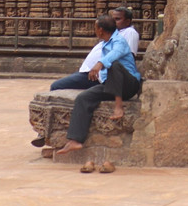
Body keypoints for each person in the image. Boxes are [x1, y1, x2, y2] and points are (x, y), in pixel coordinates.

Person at [54, 13, 142, 156]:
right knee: (84, 98)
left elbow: (115, 54)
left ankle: (118, 106)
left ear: (100, 30)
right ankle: (76, 139)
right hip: (112, 84)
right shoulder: (105, 43)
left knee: (115, 65)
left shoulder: (119, 41)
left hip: (129, 84)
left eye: (95, 28)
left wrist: (100, 64)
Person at [47, 7, 139, 92]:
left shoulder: (129, 33)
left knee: (57, 86)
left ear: (127, 22)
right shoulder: (114, 34)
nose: (114, 22)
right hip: (91, 73)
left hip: (99, 76)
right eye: (112, 19)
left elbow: (122, 54)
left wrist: (100, 64)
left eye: (117, 19)